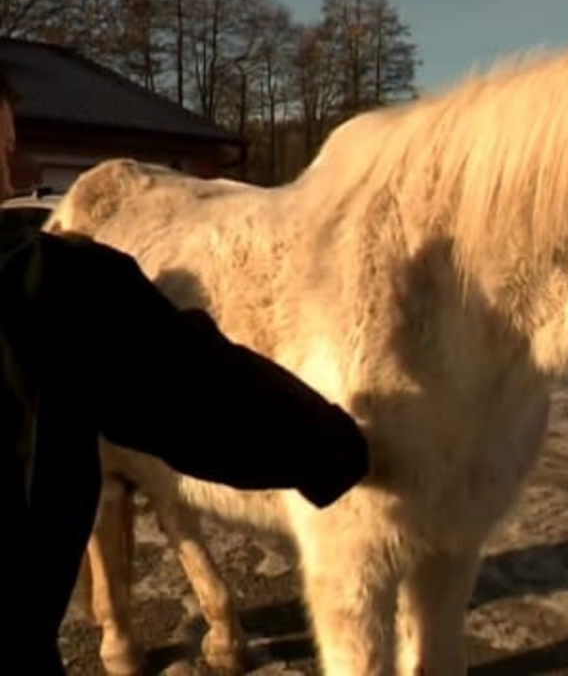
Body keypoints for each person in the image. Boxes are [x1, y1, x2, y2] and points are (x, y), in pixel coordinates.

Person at [0, 72, 369, 673]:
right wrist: (341, 449)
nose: (12, 176)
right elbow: (206, 403)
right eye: (5, 151)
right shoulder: (50, 286)